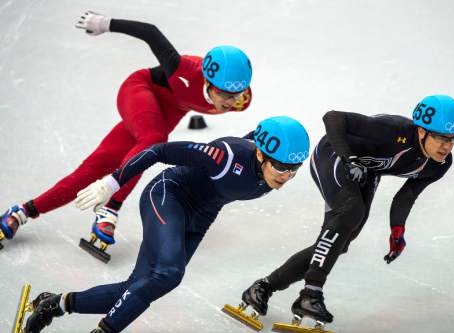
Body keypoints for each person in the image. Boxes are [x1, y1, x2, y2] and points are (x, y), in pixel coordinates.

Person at [20, 116, 310, 333]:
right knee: (169, 273)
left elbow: (258, 135)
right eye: (281, 167)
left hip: (200, 217)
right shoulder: (224, 156)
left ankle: (55, 304)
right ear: (261, 154)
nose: (285, 177)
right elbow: (158, 151)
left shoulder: (268, 158)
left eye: (294, 170)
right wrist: (112, 182)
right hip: (168, 196)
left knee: (137, 287)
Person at [0, 11, 253, 255]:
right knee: (154, 141)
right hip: (141, 90)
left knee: (93, 168)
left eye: (237, 95)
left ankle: (21, 212)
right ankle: (111, 207)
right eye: (225, 95)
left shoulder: (242, 99)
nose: (231, 101)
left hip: (167, 112)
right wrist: (105, 23)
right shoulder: (183, 69)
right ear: (208, 81)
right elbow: (151, 33)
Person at [237, 95, 454, 329]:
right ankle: (311, 293)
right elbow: (333, 118)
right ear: (421, 132)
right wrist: (350, 159)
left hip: (366, 171)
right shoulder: (393, 130)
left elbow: (407, 195)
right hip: (335, 154)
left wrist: (397, 229)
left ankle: (263, 287)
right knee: (351, 211)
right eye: (440, 138)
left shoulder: (440, 164)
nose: (446, 146)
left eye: (453, 139)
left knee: (342, 241)